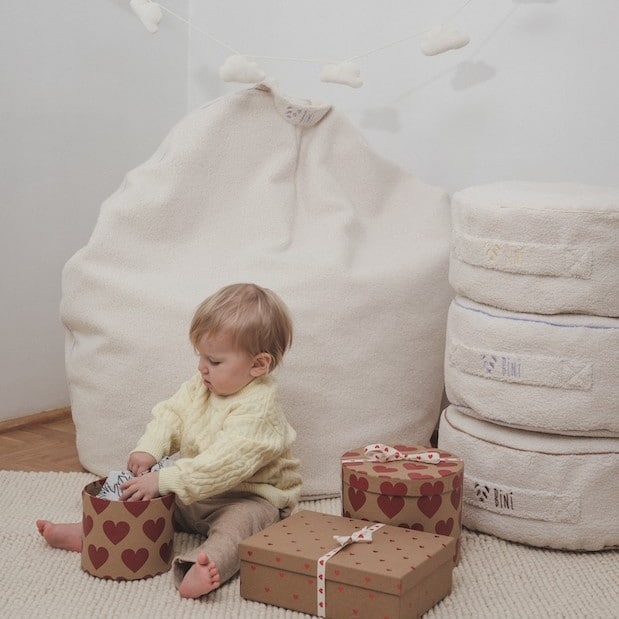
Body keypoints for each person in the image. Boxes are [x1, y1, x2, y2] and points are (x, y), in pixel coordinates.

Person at [37, 283, 302, 599]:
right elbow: (172, 415)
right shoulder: (201, 386)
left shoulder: (260, 409)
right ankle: (93, 533)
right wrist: (150, 448)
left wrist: (165, 479)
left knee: (238, 529)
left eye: (215, 361)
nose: (202, 367)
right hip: (196, 491)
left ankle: (205, 564)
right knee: (140, 496)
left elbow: (224, 463)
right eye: (200, 356)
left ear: (258, 365)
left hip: (250, 497)